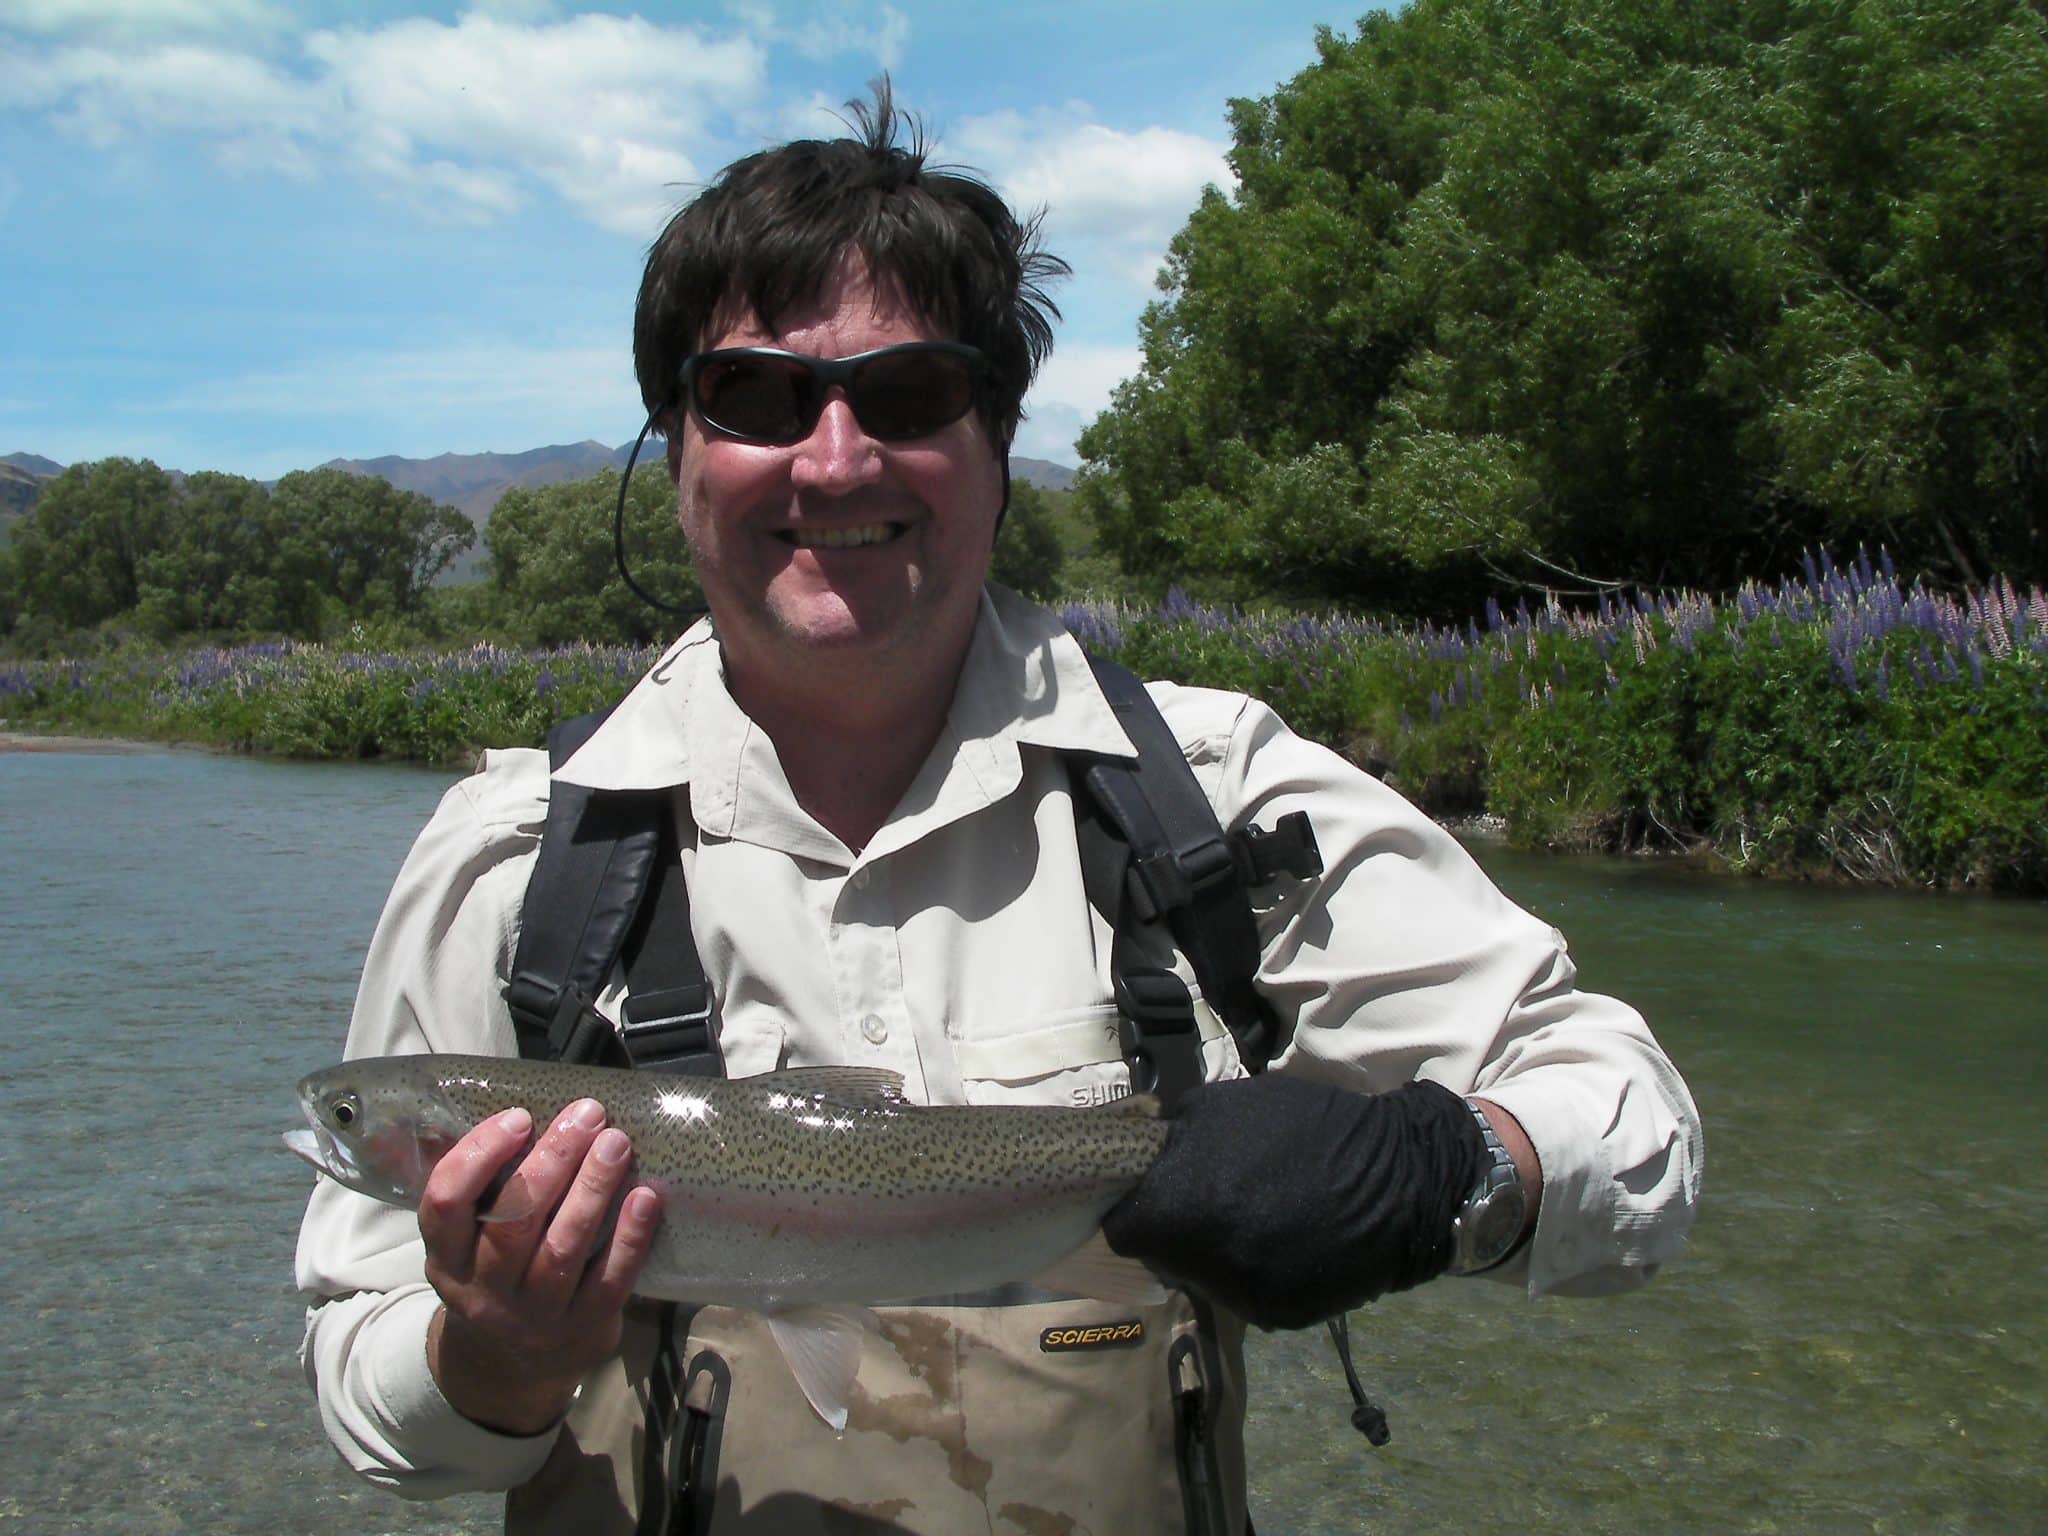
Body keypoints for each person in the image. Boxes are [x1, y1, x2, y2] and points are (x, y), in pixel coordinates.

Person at [295, 87, 1701, 1536]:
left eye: (907, 396)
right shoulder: (520, 868)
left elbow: (1634, 1123)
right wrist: (496, 1358)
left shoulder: (1209, 802)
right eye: (759, 399)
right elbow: (368, 1408)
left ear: (1000, 436)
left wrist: (1446, 1176)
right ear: (675, 446)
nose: (834, 460)